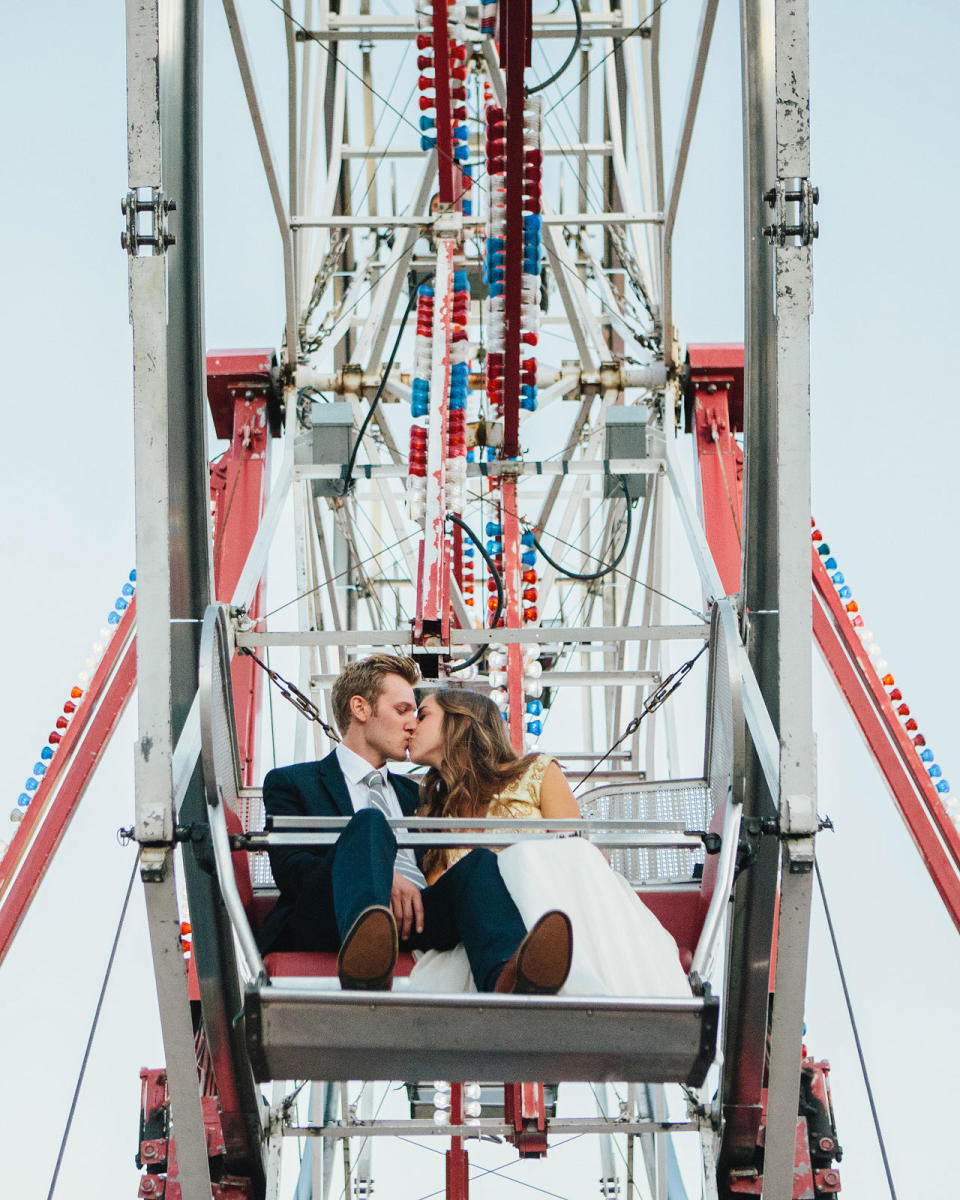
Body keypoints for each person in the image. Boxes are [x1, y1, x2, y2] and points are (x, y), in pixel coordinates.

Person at [256, 654, 573, 994]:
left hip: (415, 917)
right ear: (361, 709)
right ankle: (366, 952)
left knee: (478, 863)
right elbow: (291, 869)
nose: (412, 723)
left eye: (416, 713)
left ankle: (507, 979)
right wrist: (374, 875)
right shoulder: (293, 782)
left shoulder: (418, 796)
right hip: (329, 916)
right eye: (402, 710)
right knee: (370, 823)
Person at [405, 689, 691, 997]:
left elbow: (575, 851)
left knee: (532, 858)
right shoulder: (431, 815)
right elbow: (444, 894)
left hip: (557, 908)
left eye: (422, 715)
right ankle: (517, 971)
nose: (411, 726)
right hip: (489, 936)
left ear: (461, 723)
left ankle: (552, 963)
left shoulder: (536, 772)